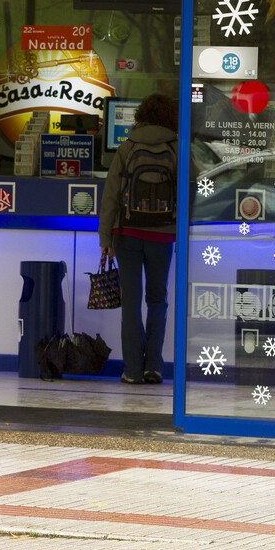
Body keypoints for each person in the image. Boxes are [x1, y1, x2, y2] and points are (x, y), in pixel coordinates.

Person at [98, 93, 178, 385]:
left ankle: (132, 370)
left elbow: (110, 195)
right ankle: (153, 366)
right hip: (163, 234)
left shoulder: (127, 146)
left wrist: (105, 237)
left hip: (127, 233)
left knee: (131, 303)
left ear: (141, 115)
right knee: (157, 300)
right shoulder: (177, 147)